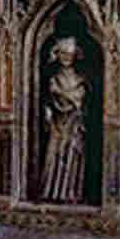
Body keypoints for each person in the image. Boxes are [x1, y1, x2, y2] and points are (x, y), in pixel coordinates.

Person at [40, 35, 88, 203]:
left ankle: (70, 192)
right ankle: (52, 192)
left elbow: (80, 99)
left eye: (69, 54)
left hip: (74, 123)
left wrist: (72, 101)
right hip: (58, 123)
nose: (66, 58)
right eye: (63, 54)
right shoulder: (54, 79)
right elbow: (50, 99)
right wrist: (50, 110)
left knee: (72, 154)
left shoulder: (80, 79)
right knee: (56, 153)